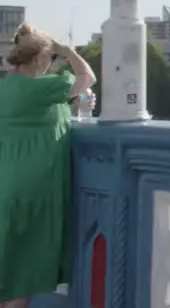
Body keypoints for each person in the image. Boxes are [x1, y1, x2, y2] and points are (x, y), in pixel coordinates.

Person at [0, 25, 95, 308]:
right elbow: (87, 77)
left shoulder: (6, 89)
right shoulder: (42, 89)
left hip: (8, 182)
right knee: (22, 274)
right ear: (42, 57)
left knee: (8, 268)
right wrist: (66, 50)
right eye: (51, 58)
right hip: (35, 187)